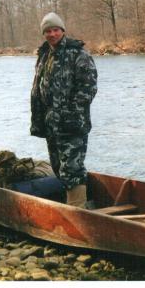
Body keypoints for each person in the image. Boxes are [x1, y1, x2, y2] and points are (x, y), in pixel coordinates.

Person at [30, 12, 97, 207]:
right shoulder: (44, 55)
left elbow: (88, 89)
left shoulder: (78, 54)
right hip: (51, 123)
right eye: (48, 31)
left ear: (63, 31)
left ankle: (78, 213)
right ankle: (68, 207)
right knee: (58, 167)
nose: (52, 34)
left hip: (72, 124)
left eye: (55, 30)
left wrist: (69, 114)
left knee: (72, 169)